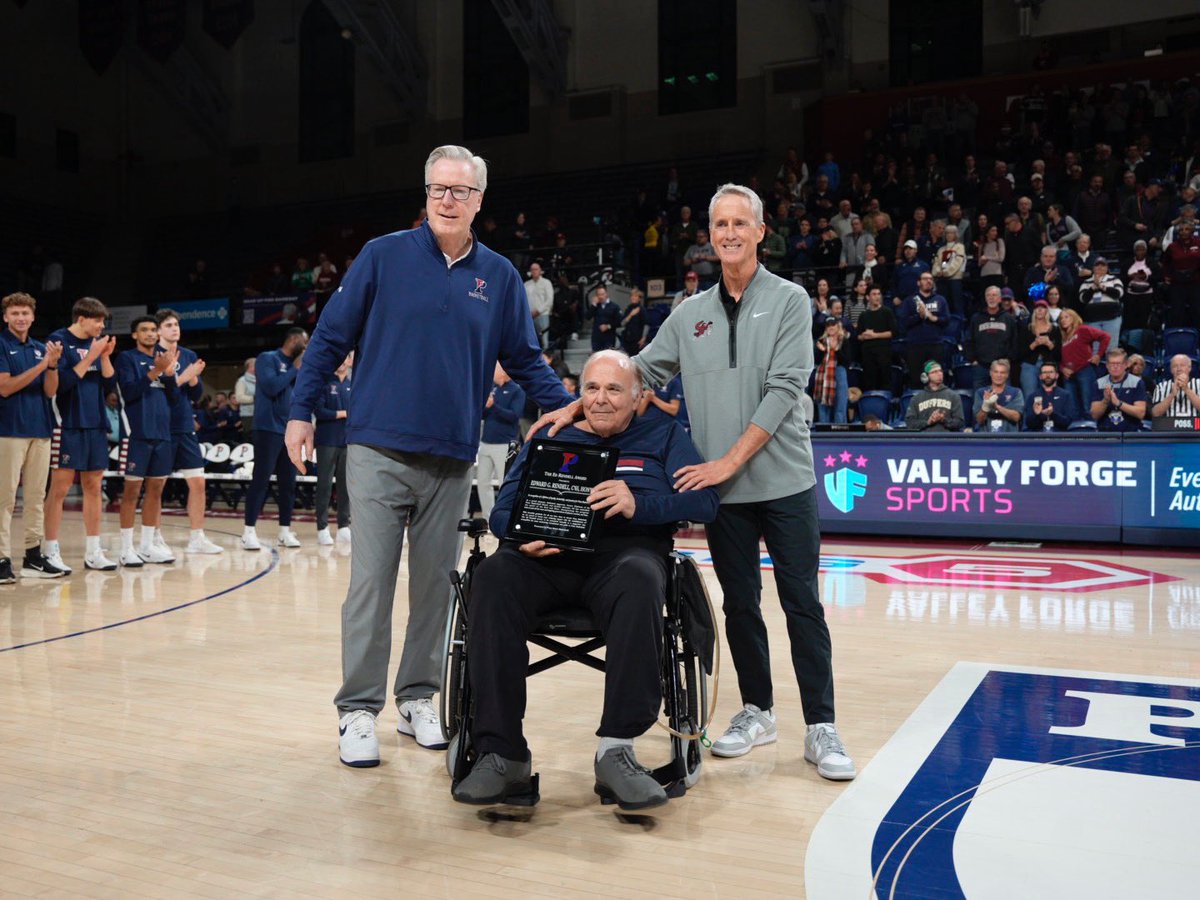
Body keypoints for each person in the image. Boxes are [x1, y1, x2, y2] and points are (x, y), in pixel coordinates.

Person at [538, 183, 858, 781]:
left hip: (782, 481)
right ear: (709, 237)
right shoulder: (689, 315)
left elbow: (785, 393)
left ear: (761, 231)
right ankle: (757, 711)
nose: (730, 233)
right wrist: (573, 408)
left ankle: (821, 725)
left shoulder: (790, 301)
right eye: (720, 225)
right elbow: (633, 375)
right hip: (722, 493)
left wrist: (725, 463)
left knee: (802, 605)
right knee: (741, 607)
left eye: (741, 223)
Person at [283, 146, 573, 769]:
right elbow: (331, 336)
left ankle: (417, 697)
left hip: (450, 455)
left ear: (479, 201)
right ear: (426, 194)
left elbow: (523, 357)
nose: (448, 199)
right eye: (439, 189)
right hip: (377, 447)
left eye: (460, 192)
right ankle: (358, 710)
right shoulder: (383, 255)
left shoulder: (497, 276)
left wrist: (571, 406)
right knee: (371, 584)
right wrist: (301, 410)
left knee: (437, 589)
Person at [451, 351, 719, 810]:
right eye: (592, 389)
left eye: (614, 389)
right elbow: (500, 510)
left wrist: (641, 504)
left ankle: (616, 749)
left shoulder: (664, 434)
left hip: (624, 561)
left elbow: (706, 503)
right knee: (493, 575)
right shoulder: (551, 435)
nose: (601, 399)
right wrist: (520, 531)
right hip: (545, 561)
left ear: (638, 398)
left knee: (640, 577)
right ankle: (502, 753)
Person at [43, 297, 118, 572]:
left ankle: (93, 551)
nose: (101, 325)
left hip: (95, 422)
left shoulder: (97, 345)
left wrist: (105, 356)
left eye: (103, 321)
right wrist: (92, 356)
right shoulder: (57, 340)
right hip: (67, 422)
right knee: (60, 489)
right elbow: (60, 384)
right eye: (97, 320)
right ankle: (49, 549)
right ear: (81, 319)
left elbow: (110, 384)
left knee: (94, 487)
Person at [0, 292, 65, 581]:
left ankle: (33, 556)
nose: (21, 318)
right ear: (6, 317)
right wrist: (41, 365)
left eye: (25, 313)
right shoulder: (1, 344)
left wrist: (51, 366)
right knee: (5, 498)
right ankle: (2, 558)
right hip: (9, 430)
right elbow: (5, 387)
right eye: (15, 313)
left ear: (33, 316)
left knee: (37, 497)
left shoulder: (41, 348)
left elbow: (50, 391)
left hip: (40, 429)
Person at [156, 309, 222, 556]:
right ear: (159, 330)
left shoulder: (190, 354)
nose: (175, 328)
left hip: (184, 427)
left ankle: (197, 537)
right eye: (169, 325)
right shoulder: (154, 356)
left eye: (176, 324)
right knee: (157, 486)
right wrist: (186, 376)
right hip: (161, 426)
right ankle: (155, 536)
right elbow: (164, 390)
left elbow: (196, 395)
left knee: (198, 483)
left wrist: (193, 379)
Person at [114, 317, 178, 567]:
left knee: (156, 491)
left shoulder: (164, 358)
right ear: (134, 335)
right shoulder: (127, 359)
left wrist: (169, 374)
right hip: (136, 433)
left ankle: (148, 546)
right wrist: (156, 371)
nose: (150, 334)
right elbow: (129, 393)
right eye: (145, 330)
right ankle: (126, 548)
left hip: (162, 433)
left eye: (153, 330)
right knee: (131, 492)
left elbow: (174, 397)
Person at [242, 328, 308, 551]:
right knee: (260, 480)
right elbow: (271, 388)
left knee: (288, 484)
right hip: (267, 428)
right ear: (293, 339)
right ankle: (249, 531)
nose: (306, 345)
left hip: (289, 430)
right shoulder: (267, 358)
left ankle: (284, 531)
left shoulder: (298, 367)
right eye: (304, 341)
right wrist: (295, 369)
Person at [476, 363, 525, 522]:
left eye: (495, 369)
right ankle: (488, 518)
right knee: (483, 483)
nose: (493, 373)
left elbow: (514, 416)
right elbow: (483, 415)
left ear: (504, 371)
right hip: (486, 442)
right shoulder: (493, 389)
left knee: (505, 484)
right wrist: (484, 407)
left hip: (504, 444)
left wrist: (493, 406)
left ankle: (505, 519)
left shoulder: (516, 390)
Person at [314, 353, 353, 546]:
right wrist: (342, 414)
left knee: (346, 485)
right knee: (325, 485)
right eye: (340, 358)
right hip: (326, 441)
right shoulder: (324, 382)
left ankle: (344, 526)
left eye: (346, 358)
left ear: (350, 361)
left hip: (347, 442)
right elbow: (319, 411)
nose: (342, 361)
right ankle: (322, 527)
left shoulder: (353, 384)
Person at [898, 271, 949, 388]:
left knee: (936, 381)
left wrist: (933, 318)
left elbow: (946, 320)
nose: (929, 281)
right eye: (925, 279)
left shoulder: (940, 300)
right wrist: (919, 317)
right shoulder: (909, 300)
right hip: (915, 346)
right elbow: (903, 323)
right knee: (916, 380)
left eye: (931, 279)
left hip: (935, 345)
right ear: (918, 282)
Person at [964, 286, 1019, 391]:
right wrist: (973, 359)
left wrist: (1009, 359)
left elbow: (1014, 341)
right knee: (980, 401)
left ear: (999, 299)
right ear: (985, 298)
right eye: (988, 295)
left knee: (1004, 400)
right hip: (981, 367)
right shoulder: (976, 318)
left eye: (994, 295)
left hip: (1002, 367)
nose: (991, 298)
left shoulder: (1008, 318)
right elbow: (969, 340)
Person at [1058, 308, 1110, 417]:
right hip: (1068, 376)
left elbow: (1105, 337)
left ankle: (1091, 432)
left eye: (1066, 317)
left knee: (1088, 406)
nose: (1063, 320)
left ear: (1074, 318)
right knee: (1072, 409)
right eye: (1061, 318)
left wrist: (1098, 355)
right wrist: (1062, 369)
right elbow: (1060, 358)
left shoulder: (1082, 330)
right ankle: (1075, 433)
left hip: (1084, 370)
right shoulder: (1062, 338)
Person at [1091, 348, 1147, 432]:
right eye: (1112, 364)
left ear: (1126, 365)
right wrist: (1105, 401)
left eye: (1119, 364)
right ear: (1107, 365)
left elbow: (1140, 413)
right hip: (1105, 435)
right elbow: (1094, 415)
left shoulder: (1137, 383)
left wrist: (1118, 403)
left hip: (1130, 435)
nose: (1115, 367)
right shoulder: (1099, 383)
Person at [855, 286, 896, 392]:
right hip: (868, 354)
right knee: (869, 383)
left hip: (884, 352)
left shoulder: (887, 312)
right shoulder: (863, 315)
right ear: (868, 297)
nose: (877, 297)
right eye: (874, 294)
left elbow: (893, 332)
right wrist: (864, 336)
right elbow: (858, 336)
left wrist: (875, 335)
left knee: (885, 381)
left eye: (879, 294)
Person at [1018, 300, 1062, 401]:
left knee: (1049, 396)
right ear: (1034, 311)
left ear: (1047, 311)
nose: (1040, 310)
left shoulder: (1054, 329)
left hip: (1049, 365)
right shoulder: (1027, 329)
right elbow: (1019, 353)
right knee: (1030, 396)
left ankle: (1050, 417)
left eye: (1043, 308)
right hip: (1029, 365)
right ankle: (1030, 417)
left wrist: (1049, 344)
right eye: (1037, 308)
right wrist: (1034, 344)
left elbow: (1059, 355)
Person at [1077, 257, 1125, 347]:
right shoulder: (1086, 282)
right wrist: (1093, 287)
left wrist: (1102, 287)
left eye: (1103, 265)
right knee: (1095, 350)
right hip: (1093, 320)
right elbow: (1082, 298)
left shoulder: (1114, 279)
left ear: (1107, 268)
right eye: (1097, 265)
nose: (1100, 267)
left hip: (1112, 319)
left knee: (1111, 348)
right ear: (1093, 268)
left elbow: (1119, 294)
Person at [905, 361, 965, 432]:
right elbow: (910, 424)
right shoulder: (916, 399)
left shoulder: (954, 396)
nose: (939, 374)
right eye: (934, 372)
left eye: (940, 371)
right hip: (924, 440)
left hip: (947, 439)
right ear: (925, 376)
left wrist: (944, 420)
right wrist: (927, 422)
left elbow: (960, 422)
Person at [813, 318, 849, 424]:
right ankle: (823, 433)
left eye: (833, 325)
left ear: (838, 327)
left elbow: (847, 361)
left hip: (839, 372)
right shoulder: (821, 342)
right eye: (828, 326)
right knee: (823, 405)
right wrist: (822, 351)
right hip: (823, 375)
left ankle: (840, 433)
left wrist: (836, 350)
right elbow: (817, 361)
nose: (831, 327)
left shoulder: (844, 341)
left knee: (840, 404)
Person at [1150, 354, 1200, 430]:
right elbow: (1155, 414)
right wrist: (1172, 394)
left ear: (1189, 368)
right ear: (1171, 370)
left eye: (1182, 365)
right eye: (1175, 366)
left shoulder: (1198, 384)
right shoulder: (1161, 387)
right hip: (1168, 428)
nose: (1178, 369)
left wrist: (1187, 389)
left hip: (1196, 427)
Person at [973, 360, 1024, 433]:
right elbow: (979, 420)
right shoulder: (981, 393)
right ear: (990, 373)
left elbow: (1016, 417)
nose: (999, 375)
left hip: (1009, 439)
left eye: (1002, 372)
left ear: (1007, 375)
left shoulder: (1016, 392)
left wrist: (997, 406)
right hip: (986, 439)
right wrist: (986, 405)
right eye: (996, 372)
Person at [1024, 362, 1076, 432]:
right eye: (1044, 372)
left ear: (1057, 375)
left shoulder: (1066, 395)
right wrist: (1038, 415)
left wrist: (1052, 414)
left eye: (1051, 372)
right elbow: (1029, 424)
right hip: (1039, 438)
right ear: (1040, 376)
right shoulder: (1032, 396)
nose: (1047, 375)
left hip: (1060, 438)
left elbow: (1067, 421)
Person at [524, 261, 553, 350]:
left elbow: (549, 300)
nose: (534, 271)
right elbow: (523, 300)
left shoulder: (546, 282)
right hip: (529, 316)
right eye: (532, 269)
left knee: (544, 340)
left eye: (536, 269)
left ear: (540, 270)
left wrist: (538, 311)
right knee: (532, 340)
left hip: (542, 314)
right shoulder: (526, 284)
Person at [587, 285, 622, 351]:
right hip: (596, 338)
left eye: (602, 294)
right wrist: (593, 305)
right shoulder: (595, 306)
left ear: (606, 294)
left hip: (609, 338)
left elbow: (620, 321)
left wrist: (608, 326)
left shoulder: (614, 306)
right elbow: (588, 317)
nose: (600, 296)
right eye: (598, 294)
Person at [234, 357, 256, 442]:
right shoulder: (242, 381)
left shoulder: (260, 379)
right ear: (248, 367)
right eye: (254, 366)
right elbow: (239, 398)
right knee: (250, 437)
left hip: (259, 413)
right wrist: (254, 398)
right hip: (248, 415)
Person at [619, 288, 646, 355]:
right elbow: (622, 323)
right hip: (627, 339)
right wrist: (631, 315)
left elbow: (646, 324)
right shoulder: (628, 308)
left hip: (637, 339)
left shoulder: (642, 309)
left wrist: (643, 338)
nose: (633, 298)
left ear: (639, 298)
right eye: (632, 296)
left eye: (636, 296)